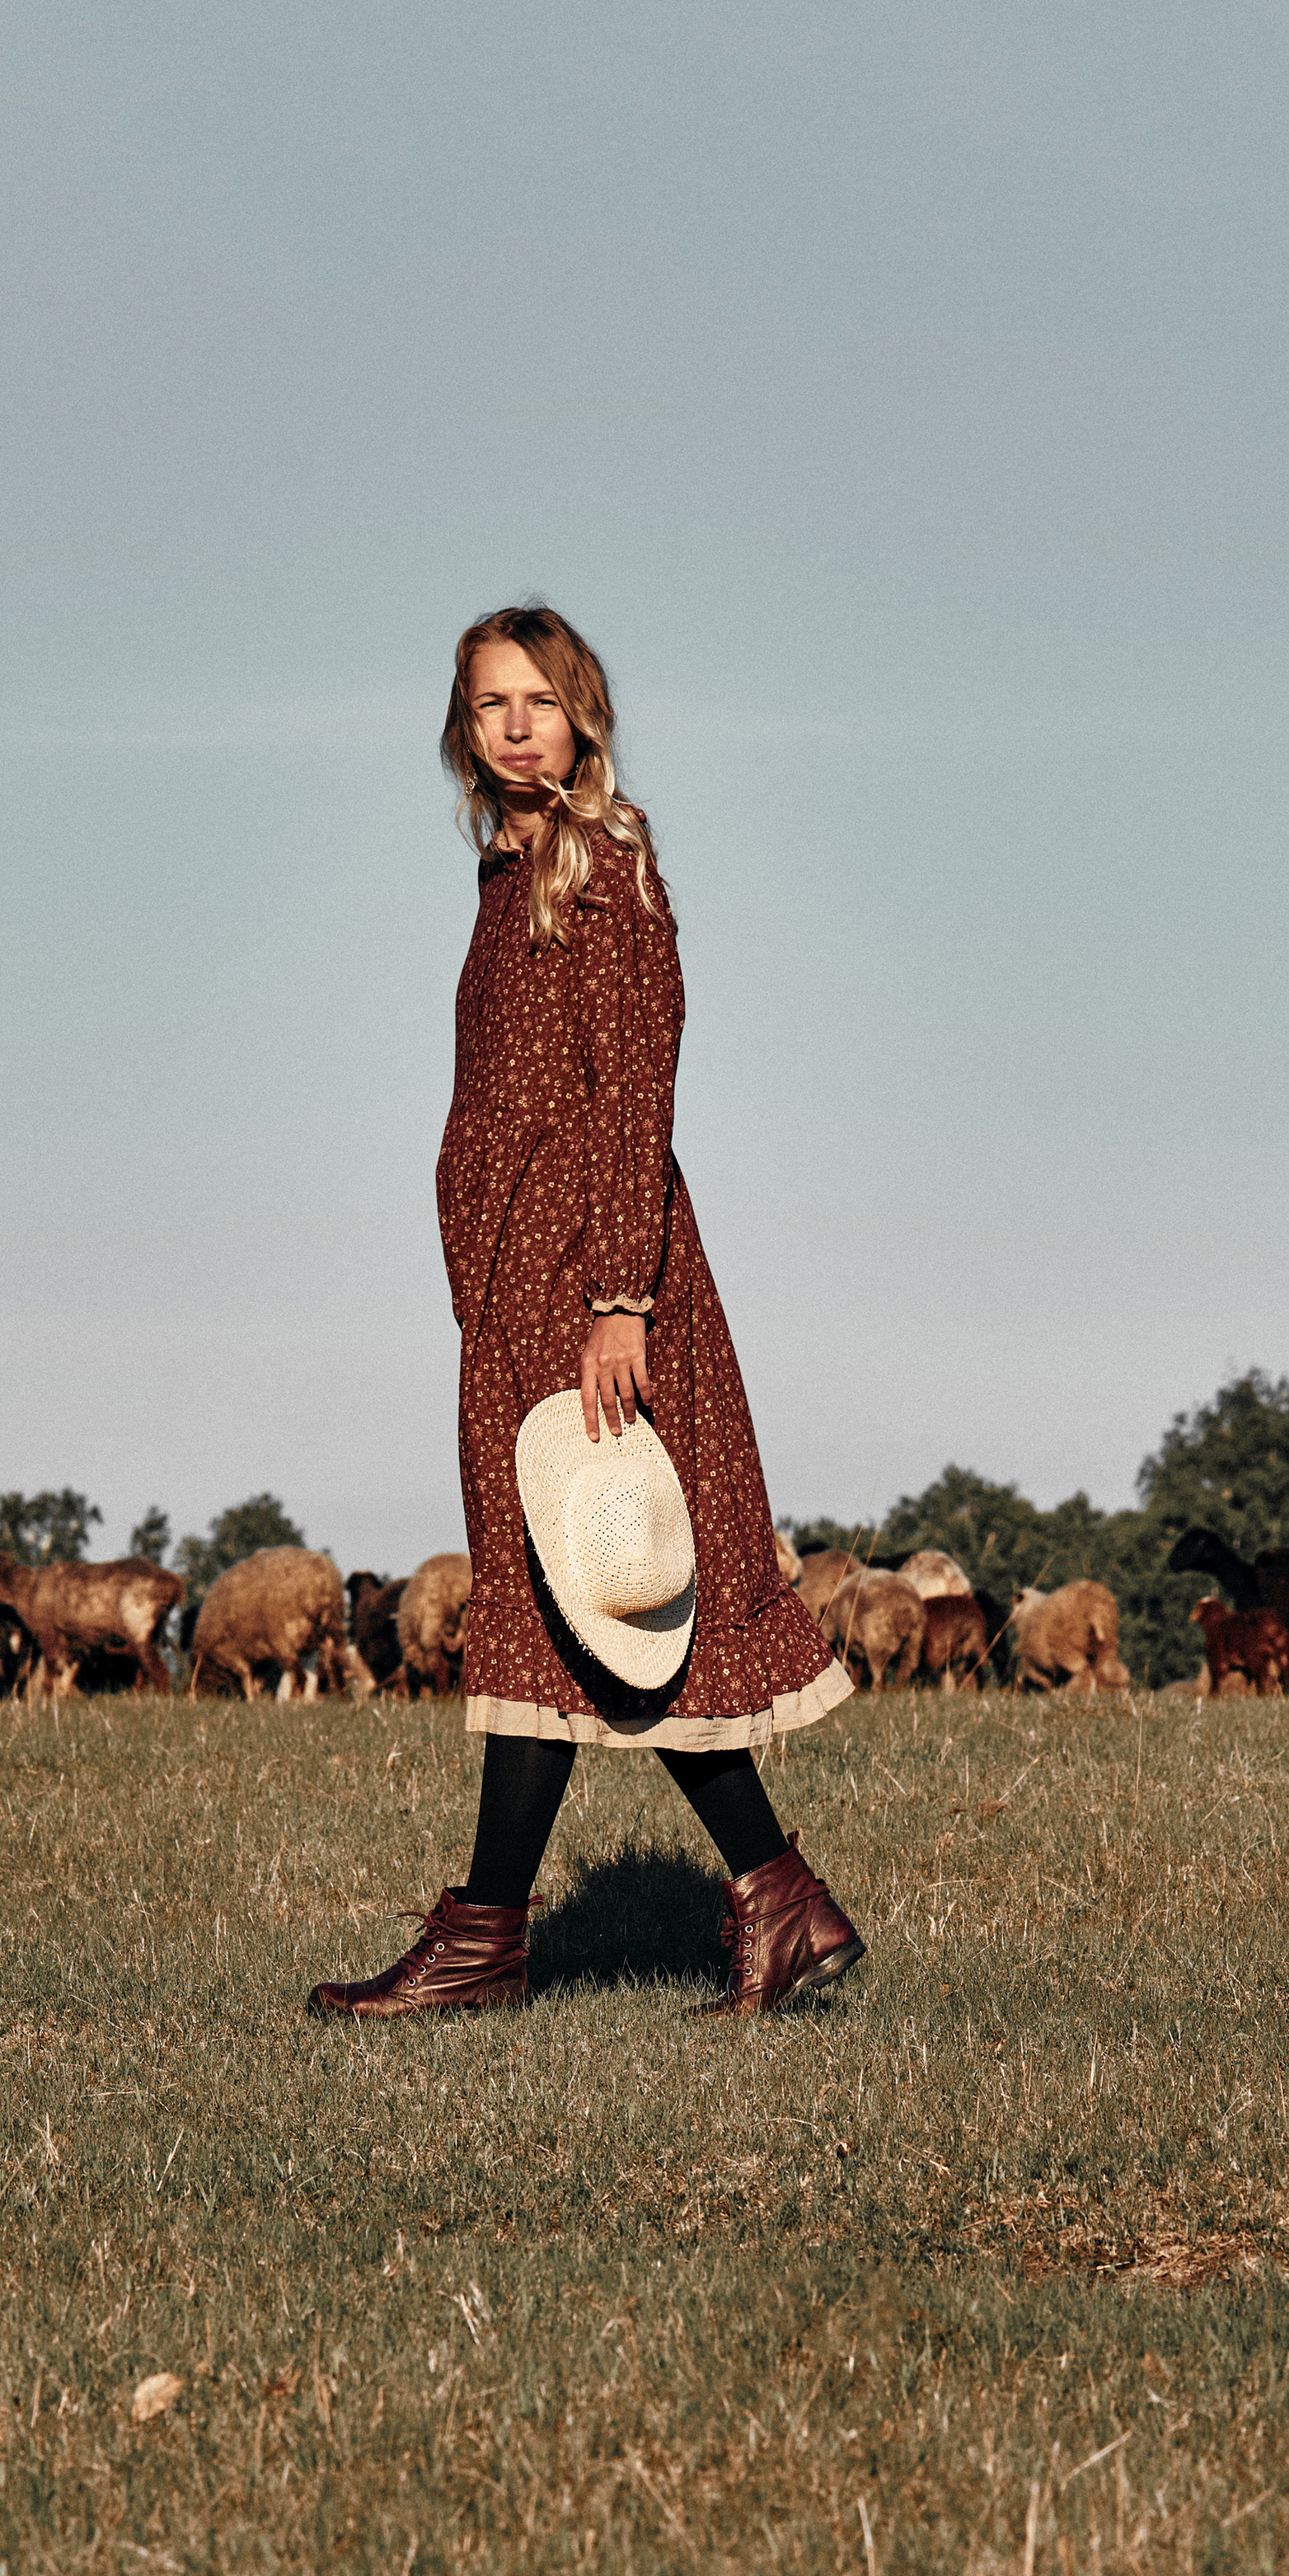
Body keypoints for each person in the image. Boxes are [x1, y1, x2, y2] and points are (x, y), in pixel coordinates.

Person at [309, 607, 864, 2022]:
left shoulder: (604, 867)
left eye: (538, 702)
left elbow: (637, 1091)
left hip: (588, 1279)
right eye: (488, 703)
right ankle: (750, 1904)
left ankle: (499, 1935)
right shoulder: (510, 875)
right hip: (515, 1285)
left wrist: (619, 1298)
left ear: (584, 717)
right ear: (461, 729)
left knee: (600, 1594)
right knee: (572, 1612)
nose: (513, 726)